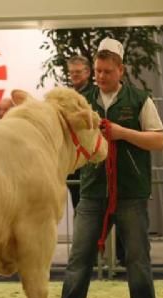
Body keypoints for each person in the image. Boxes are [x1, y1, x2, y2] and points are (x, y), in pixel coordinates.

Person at [51, 38, 163, 298]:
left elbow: (159, 140)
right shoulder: (81, 99)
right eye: (98, 71)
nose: (101, 77)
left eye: (107, 72)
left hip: (131, 192)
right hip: (92, 191)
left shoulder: (140, 99)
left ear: (121, 70)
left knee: (138, 260)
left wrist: (122, 132)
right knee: (79, 260)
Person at [66, 55, 93, 210]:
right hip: (73, 158)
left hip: (89, 156)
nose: (74, 75)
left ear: (88, 72)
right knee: (77, 203)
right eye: (72, 73)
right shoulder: (68, 96)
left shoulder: (95, 94)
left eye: (78, 72)